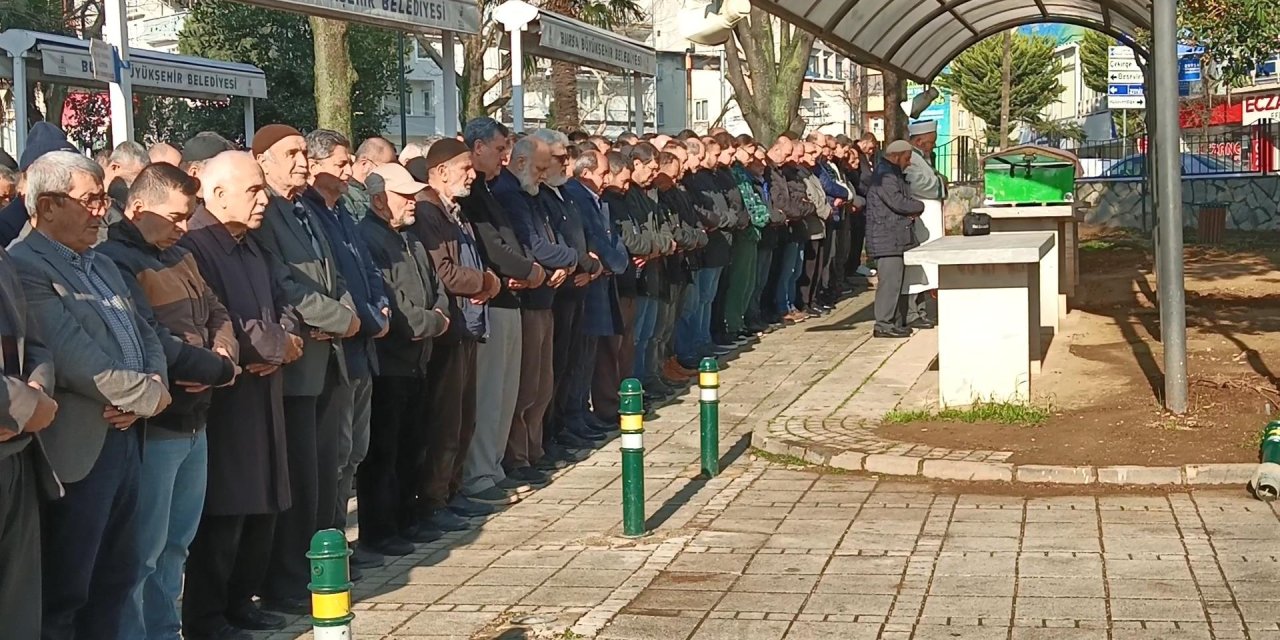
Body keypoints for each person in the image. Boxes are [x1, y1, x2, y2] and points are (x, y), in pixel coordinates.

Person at [11, 151, 171, 639]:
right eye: (92, 199)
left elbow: (146, 334)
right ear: (49, 205)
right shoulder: (25, 265)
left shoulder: (98, 263)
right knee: (67, 591)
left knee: (116, 580)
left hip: (123, 439)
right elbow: (78, 360)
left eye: (103, 197)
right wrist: (146, 398)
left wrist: (157, 389)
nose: (103, 210)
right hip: (75, 451)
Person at [98, 163, 240, 640]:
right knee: (144, 550)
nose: (184, 227)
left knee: (177, 544)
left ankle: (165, 631)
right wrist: (215, 368)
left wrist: (224, 352)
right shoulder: (116, 260)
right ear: (138, 209)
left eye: (188, 217)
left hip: (195, 421)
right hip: (156, 426)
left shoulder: (181, 254)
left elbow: (219, 310)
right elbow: (149, 337)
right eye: (176, 217)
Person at [180, 151, 300, 639]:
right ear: (217, 192)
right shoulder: (197, 245)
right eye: (252, 190)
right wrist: (275, 344)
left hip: (265, 388)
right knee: (225, 508)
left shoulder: (252, 244)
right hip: (228, 398)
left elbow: (285, 304)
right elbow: (220, 320)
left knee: (262, 502)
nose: (263, 199)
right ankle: (208, 616)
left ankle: (241, 600)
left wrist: (287, 341)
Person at [250, 124, 359, 614]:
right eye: (290, 153)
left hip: (329, 356)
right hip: (297, 368)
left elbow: (335, 274)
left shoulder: (303, 208)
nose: (301, 161)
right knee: (298, 479)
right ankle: (288, 579)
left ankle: (314, 567)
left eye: (302, 152)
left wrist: (349, 313)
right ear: (263, 161)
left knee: (322, 474)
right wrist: (340, 318)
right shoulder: (267, 213)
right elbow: (284, 285)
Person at [300, 129, 390, 574]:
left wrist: (383, 306)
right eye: (339, 164)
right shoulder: (312, 216)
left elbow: (367, 272)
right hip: (340, 350)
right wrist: (371, 319)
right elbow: (337, 286)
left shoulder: (342, 215)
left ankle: (340, 542)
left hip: (362, 349)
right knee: (336, 457)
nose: (348, 172)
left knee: (355, 451)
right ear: (315, 166)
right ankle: (331, 544)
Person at [356, 162, 450, 557]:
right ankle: (381, 529)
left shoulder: (410, 240)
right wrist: (432, 321)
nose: (412, 204)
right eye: (404, 197)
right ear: (379, 200)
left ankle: (409, 517)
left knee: (413, 442)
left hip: (418, 358)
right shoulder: (370, 238)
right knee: (384, 450)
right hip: (391, 359)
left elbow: (436, 287)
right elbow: (395, 305)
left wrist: (440, 314)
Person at [408, 138, 500, 533]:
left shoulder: (454, 210)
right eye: (465, 168)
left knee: (464, 416)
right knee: (445, 419)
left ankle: (453, 489)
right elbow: (444, 272)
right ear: (441, 171)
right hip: (449, 327)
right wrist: (487, 281)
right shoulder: (429, 210)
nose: (472, 174)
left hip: (468, 323)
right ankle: (433, 498)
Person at [457, 118, 545, 505]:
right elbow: (491, 246)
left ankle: (493, 467)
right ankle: (478, 474)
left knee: (507, 392)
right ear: (477, 149)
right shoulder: (473, 194)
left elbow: (512, 239)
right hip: (492, 301)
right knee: (490, 394)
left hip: (513, 297)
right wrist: (528, 270)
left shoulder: (490, 190)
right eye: (498, 149)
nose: (504, 157)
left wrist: (529, 270)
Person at [492, 136, 576, 479]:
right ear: (521, 162)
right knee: (525, 384)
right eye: (540, 168)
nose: (544, 175)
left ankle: (535, 447)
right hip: (526, 298)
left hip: (544, 295)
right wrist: (571, 259)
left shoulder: (532, 193)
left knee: (542, 382)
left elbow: (553, 238)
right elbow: (532, 245)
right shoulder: (510, 193)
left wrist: (566, 262)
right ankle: (518, 456)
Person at [0, 212, 58, 640]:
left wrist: (38, 385)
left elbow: (33, 341)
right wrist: (22, 406)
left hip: (17, 454)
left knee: (18, 609)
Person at [530, 129, 604, 451]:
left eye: (565, 157)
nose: (565, 163)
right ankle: (550, 431)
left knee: (571, 360)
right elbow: (551, 243)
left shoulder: (566, 194)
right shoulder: (540, 195)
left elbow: (583, 236)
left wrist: (594, 265)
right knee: (553, 366)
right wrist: (582, 263)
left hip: (579, 285)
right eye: (559, 158)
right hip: (560, 289)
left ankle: (564, 421)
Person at [562, 149, 628, 436]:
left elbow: (613, 239)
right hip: (586, 287)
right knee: (580, 357)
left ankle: (580, 412)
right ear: (586, 172)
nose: (606, 179)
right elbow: (592, 239)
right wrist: (605, 262)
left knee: (589, 355)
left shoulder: (596, 199)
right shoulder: (577, 196)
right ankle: (573, 414)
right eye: (602, 173)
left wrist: (616, 262)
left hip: (599, 279)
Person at [867, 140, 926, 339]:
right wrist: (918, 206)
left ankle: (892, 321)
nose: (909, 163)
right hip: (887, 237)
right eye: (907, 159)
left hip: (894, 236)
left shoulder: (892, 173)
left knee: (896, 282)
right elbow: (898, 202)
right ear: (896, 156)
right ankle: (883, 324)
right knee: (889, 284)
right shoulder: (885, 175)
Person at [0, 122, 78, 247]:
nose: (66, 180)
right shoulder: (5, 227)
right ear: (29, 175)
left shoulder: (79, 215)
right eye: (56, 171)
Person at [902, 120, 946, 329]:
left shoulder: (923, 158)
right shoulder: (910, 157)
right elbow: (916, 183)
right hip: (921, 220)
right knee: (917, 268)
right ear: (919, 141)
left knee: (927, 267)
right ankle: (911, 312)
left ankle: (920, 309)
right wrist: (939, 183)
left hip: (930, 220)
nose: (933, 146)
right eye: (930, 142)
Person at [343, 137, 397, 221]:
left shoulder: (369, 191)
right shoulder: (344, 195)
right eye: (385, 167)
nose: (391, 172)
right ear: (365, 164)